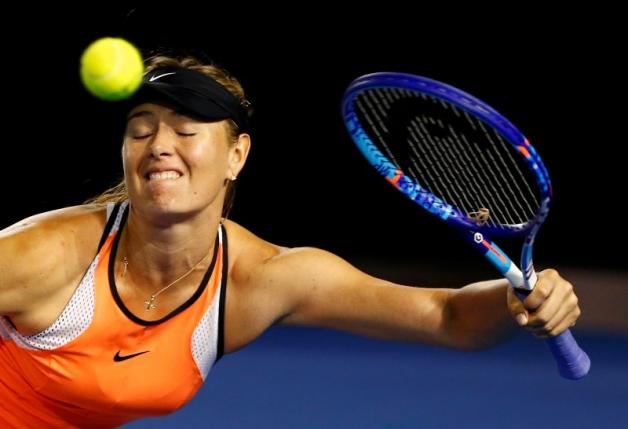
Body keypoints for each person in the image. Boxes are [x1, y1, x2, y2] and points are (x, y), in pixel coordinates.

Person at [0, 54, 581, 428]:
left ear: (237, 155)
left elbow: (449, 317)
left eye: (185, 129)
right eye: (141, 129)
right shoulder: (47, 255)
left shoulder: (265, 278)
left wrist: (512, 303)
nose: (158, 145)